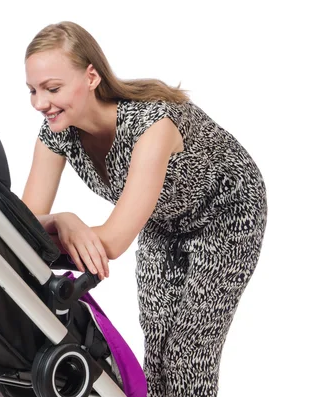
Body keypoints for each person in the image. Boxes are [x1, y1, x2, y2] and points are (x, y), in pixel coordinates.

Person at [20, 21, 267, 397]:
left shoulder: (152, 125)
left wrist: (69, 225)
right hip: (162, 219)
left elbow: (113, 242)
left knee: (187, 350)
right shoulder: (57, 133)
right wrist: (60, 220)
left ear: (91, 77)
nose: (40, 103)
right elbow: (21, 225)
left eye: (52, 89)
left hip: (228, 213)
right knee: (157, 345)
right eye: (33, 90)